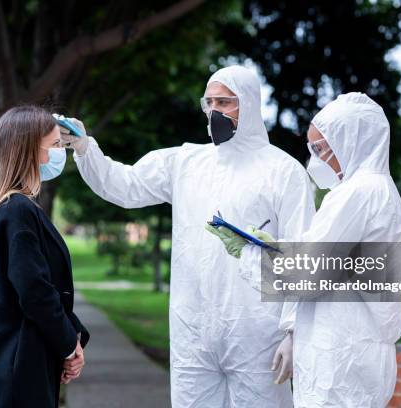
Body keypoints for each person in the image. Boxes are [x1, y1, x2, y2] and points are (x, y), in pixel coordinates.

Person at [61, 65, 315, 407]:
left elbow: (302, 254)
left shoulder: (283, 172)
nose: (214, 112)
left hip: (257, 336)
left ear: (250, 105)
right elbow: (124, 185)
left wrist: (293, 332)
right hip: (193, 331)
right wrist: (84, 147)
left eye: (224, 103)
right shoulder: (185, 162)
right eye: (208, 103)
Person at [209, 92, 401, 407]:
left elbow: (305, 277)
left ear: (350, 142)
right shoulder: (380, 191)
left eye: (319, 148)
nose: (313, 159)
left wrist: (250, 255)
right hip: (355, 354)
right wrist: (281, 251)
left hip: (339, 359)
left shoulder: (356, 194)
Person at [0, 106, 90, 408]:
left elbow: (44, 286)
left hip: (20, 362)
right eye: (53, 145)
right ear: (27, 151)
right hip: (18, 367)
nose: (58, 153)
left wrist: (73, 337)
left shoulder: (17, 208)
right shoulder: (17, 210)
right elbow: (35, 291)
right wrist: (68, 346)